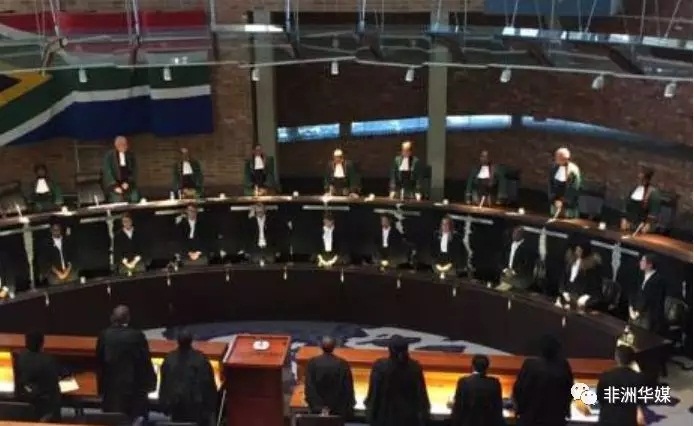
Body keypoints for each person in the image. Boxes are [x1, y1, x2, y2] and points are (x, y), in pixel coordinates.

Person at [96, 305, 156, 422]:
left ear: (112, 318)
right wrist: (151, 383)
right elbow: (145, 362)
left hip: (111, 389)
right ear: (128, 318)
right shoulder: (137, 336)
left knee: (112, 420)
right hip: (134, 389)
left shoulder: (104, 335)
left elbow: (99, 361)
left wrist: (101, 387)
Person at [364, 336, 430, 426]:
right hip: (408, 417)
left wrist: (370, 413)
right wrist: (424, 413)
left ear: (390, 350)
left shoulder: (380, 367)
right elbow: (421, 394)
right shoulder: (414, 367)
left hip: (385, 416)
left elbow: (374, 393)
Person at [512, 335, 574, 426]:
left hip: (530, 418)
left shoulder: (529, 365)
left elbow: (519, 390)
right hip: (555, 419)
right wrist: (566, 411)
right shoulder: (563, 366)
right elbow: (569, 391)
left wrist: (519, 409)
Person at [160, 329, 217, 426]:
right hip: (195, 407)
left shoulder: (169, 359)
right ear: (191, 341)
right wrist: (211, 407)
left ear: (177, 341)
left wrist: (164, 405)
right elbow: (208, 385)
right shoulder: (200, 359)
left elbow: (164, 384)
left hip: (175, 406)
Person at [13, 332, 61, 421]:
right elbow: (53, 386)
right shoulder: (48, 361)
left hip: (22, 404)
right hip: (43, 407)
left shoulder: (18, 358)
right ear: (42, 344)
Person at [304, 336, 355, 419]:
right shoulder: (342, 364)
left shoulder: (312, 363)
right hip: (337, 408)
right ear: (334, 346)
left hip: (317, 409)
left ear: (321, 346)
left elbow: (309, 387)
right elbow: (348, 387)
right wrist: (349, 406)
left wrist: (317, 406)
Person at [597, 346, 647, 426]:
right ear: (632, 360)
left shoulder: (606, 376)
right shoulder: (638, 378)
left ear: (616, 358)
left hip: (606, 420)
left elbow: (600, 398)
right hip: (628, 421)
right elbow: (641, 400)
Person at [450, 354, 504, 426]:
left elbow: (458, 406)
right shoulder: (494, 383)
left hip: (467, 422)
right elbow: (498, 408)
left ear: (472, 366)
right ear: (487, 367)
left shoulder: (463, 382)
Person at [557, 242, 603, 310]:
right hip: (567, 300)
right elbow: (562, 281)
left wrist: (585, 298)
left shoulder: (591, 269)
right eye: (576, 250)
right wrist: (564, 292)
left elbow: (596, 293)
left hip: (582, 303)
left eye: (580, 250)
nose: (577, 252)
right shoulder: (570, 263)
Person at [629, 254, 666, 334]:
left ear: (650, 264)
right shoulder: (640, 275)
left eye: (643, 261)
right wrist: (631, 308)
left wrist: (638, 312)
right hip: (635, 313)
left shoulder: (658, 280)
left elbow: (650, 299)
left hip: (647, 316)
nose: (640, 262)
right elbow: (634, 292)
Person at [621, 167, 661, 234]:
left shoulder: (653, 193)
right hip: (629, 224)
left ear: (647, 179)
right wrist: (624, 219)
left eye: (642, 179)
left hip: (642, 227)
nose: (639, 181)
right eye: (639, 178)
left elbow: (653, 214)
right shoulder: (634, 189)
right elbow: (626, 205)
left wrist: (647, 226)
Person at [497, 226, 537, 291]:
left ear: (522, 235)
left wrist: (513, 272)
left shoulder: (528, 247)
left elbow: (526, 264)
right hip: (506, 276)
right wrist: (505, 270)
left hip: (520, 278)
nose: (514, 235)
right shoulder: (507, 244)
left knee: (515, 293)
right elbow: (500, 259)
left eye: (517, 233)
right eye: (514, 233)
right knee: (500, 293)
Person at [40, 219, 78, 286]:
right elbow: (47, 262)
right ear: (51, 230)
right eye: (54, 229)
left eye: (58, 229)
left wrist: (67, 271)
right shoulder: (46, 244)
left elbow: (72, 256)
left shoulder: (66, 240)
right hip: (55, 274)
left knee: (74, 280)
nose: (56, 231)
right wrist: (59, 273)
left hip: (68, 271)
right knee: (54, 282)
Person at [102, 136, 140, 203]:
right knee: (117, 199)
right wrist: (114, 186)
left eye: (125, 144)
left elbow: (134, 170)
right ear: (117, 146)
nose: (125, 147)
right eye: (122, 145)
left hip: (128, 184)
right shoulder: (109, 156)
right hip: (115, 186)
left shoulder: (130, 155)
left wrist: (128, 182)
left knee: (134, 197)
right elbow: (107, 172)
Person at [548, 147, 582, 219]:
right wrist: (554, 199)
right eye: (556, 157)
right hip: (555, 204)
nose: (556, 159)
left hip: (568, 207)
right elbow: (551, 185)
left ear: (565, 159)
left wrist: (563, 201)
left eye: (558, 158)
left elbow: (574, 188)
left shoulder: (573, 170)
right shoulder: (554, 168)